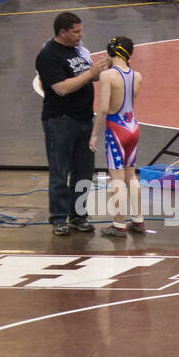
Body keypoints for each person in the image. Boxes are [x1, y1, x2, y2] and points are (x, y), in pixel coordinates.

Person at [37, 12, 109, 237]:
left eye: (80, 30)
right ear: (63, 32)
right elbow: (62, 88)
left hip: (84, 118)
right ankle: (59, 218)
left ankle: (78, 216)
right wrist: (91, 73)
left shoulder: (78, 51)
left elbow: (88, 76)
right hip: (60, 120)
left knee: (84, 172)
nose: (80, 35)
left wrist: (110, 68)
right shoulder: (48, 56)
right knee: (60, 171)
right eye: (76, 32)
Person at [88, 36, 145, 238]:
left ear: (112, 52)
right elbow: (131, 100)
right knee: (132, 175)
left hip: (116, 129)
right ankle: (138, 220)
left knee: (117, 178)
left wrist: (94, 135)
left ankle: (118, 224)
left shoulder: (108, 76)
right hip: (133, 127)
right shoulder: (137, 75)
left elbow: (103, 109)